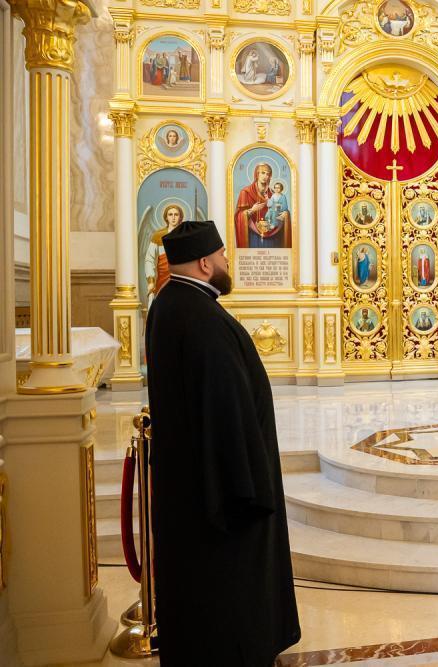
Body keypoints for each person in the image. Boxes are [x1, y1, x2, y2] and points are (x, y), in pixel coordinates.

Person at [145, 220, 300, 665]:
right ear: (204, 263)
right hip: (223, 498)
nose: (228, 261)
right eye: (222, 255)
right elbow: (226, 415)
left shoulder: (172, 304)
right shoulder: (202, 320)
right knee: (224, 596)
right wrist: (247, 493)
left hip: (191, 488)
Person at [234, 162, 290, 248]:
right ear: (257, 174)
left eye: (268, 174)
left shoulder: (273, 194)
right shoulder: (246, 192)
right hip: (254, 236)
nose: (265, 176)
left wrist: (285, 214)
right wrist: (252, 210)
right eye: (263, 173)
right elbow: (238, 216)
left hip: (273, 236)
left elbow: (280, 209)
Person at [144, 204, 185, 302]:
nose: (173, 217)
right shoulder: (158, 236)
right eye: (170, 214)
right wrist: (151, 281)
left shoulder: (185, 234)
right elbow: (149, 259)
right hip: (163, 279)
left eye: (176, 214)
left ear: (180, 217)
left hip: (182, 279)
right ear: (166, 217)